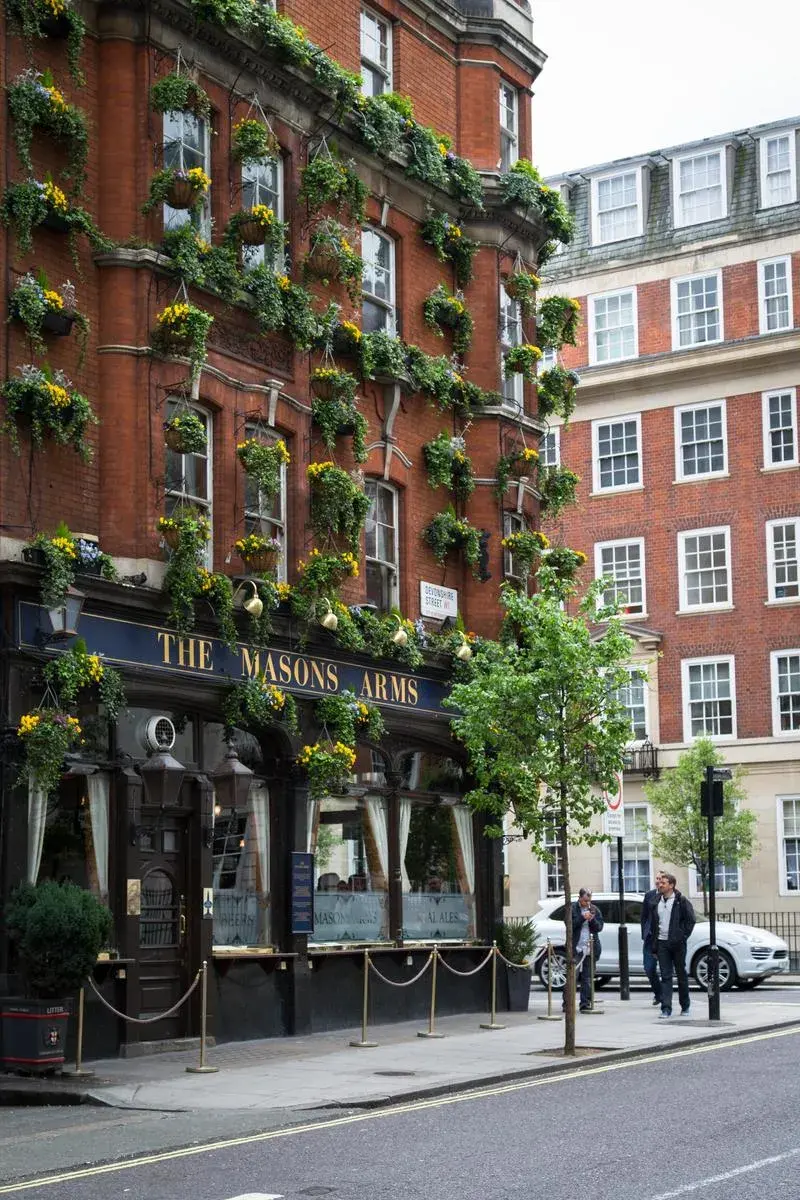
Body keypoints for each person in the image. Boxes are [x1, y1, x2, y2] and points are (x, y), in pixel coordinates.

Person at [655, 872, 696, 1018]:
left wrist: (682, 936)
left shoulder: (681, 901)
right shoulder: (657, 901)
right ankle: (666, 1008)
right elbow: (654, 923)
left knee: (681, 975)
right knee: (665, 976)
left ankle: (685, 1006)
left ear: (671, 885)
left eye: (663, 883)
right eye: (660, 883)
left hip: (677, 944)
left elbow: (690, 920)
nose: (660, 885)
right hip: (662, 943)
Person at [566, 888, 604, 1013]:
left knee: (587, 978)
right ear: (580, 897)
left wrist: (591, 919)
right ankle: (567, 1003)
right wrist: (582, 918)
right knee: (572, 976)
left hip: (590, 947)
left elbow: (599, 927)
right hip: (576, 947)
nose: (587, 903)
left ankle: (585, 1003)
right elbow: (569, 924)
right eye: (585, 900)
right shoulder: (572, 908)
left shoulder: (594, 909)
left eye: (589, 900)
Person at [640, 871, 666, 1006]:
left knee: (665, 970)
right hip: (650, 939)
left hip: (663, 938)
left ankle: (665, 999)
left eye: (661, 879)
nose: (658, 881)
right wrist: (644, 933)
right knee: (649, 968)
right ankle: (659, 994)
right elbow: (644, 916)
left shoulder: (671, 896)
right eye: (656, 878)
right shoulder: (649, 895)